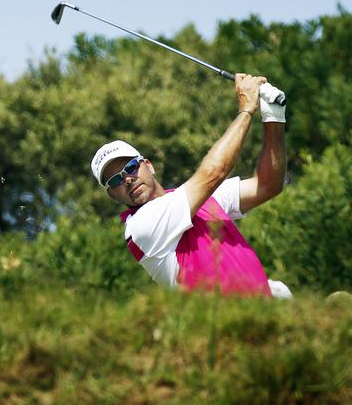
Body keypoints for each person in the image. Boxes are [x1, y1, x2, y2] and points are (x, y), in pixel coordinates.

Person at [90, 74, 292, 298]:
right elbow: (213, 172)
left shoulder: (191, 199)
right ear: (112, 195)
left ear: (149, 165)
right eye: (115, 180)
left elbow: (267, 186)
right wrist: (246, 110)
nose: (127, 179)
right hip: (222, 328)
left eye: (130, 167)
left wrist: (274, 115)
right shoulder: (141, 227)